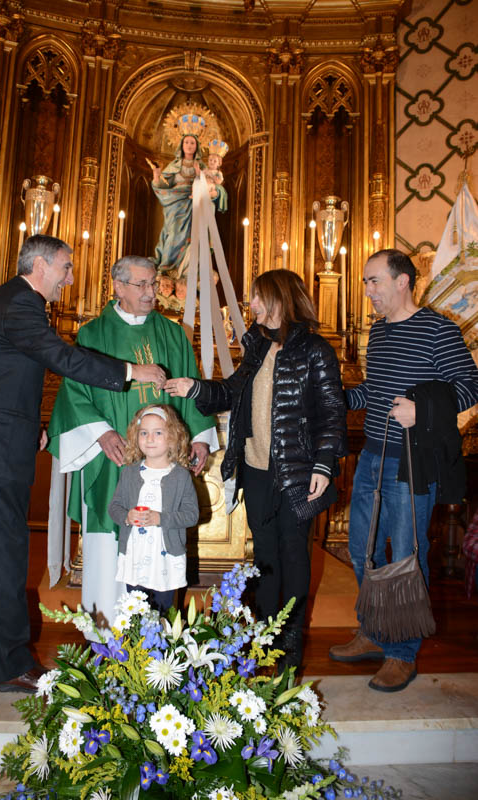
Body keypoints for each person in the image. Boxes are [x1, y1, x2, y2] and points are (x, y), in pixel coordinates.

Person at [0, 235, 165, 693]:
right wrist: (130, 372)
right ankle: (9, 666)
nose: (69, 278)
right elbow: (61, 357)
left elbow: (3, 379)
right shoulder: (21, 303)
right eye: (65, 268)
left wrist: (32, 427)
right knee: (4, 555)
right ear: (41, 265)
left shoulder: (14, 301)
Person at [165, 269, 347, 668]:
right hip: (256, 467)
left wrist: (323, 463)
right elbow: (232, 393)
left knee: (294, 555)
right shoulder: (258, 346)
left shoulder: (315, 349)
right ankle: (264, 636)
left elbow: (333, 411)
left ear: (281, 298)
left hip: (298, 472)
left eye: (259, 297)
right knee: (264, 556)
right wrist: (195, 387)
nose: (253, 304)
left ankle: (291, 642)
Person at [329, 249, 478, 692]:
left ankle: (402, 652)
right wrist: (335, 399)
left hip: (412, 463)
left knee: (405, 559)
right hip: (372, 457)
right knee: (362, 550)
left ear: (403, 281)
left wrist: (422, 410)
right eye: (366, 282)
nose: (368, 291)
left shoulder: (438, 330)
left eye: (374, 281)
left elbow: (470, 386)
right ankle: (374, 630)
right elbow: (374, 391)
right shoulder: (378, 332)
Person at [47, 255, 217, 631]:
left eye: (153, 284)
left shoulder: (173, 334)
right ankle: (106, 633)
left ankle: (157, 641)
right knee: (109, 538)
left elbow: (190, 387)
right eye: (141, 285)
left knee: (160, 538)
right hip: (113, 458)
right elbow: (75, 392)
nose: (151, 292)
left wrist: (200, 438)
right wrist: (102, 433)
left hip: (165, 464)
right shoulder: (93, 335)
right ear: (118, 287)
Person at [108, 404, 199, 614]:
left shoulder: (181, 476)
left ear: (173, 437)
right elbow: (114, 507)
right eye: (144, 433)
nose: (149, 439)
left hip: (165, 559)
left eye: (158, 433)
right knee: (135, 611)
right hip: (135, 555)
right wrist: (127, 516)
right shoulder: (129, 473)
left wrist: (161, 519)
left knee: (163, 611)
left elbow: (191, 515)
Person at [151, 134, 227, 278]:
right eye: (186, 142)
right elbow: (162, 186)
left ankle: (190, 273)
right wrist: (156, 175)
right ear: (181, 144)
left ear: (197, 146)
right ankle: (167, 268)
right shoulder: (173, 166)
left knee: (196, 238)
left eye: (192, 142)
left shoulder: (203, 167)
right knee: (173, 233)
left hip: (197, 206)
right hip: (176, 205)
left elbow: (215, 187)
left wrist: (214, 192)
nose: (189, 145)